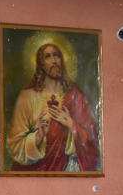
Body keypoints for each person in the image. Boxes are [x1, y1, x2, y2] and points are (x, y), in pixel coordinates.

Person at [6, 42, 100, 172]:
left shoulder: (75, 95)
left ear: (62, 60)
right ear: (41, 64)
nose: (54, 61)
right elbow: (14, 145)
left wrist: (71, 124)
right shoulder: (27, 97)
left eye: (56, 56)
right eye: (48, 57)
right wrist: (38, 136)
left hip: (67, 167)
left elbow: (92, 140)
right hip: (35, 171)